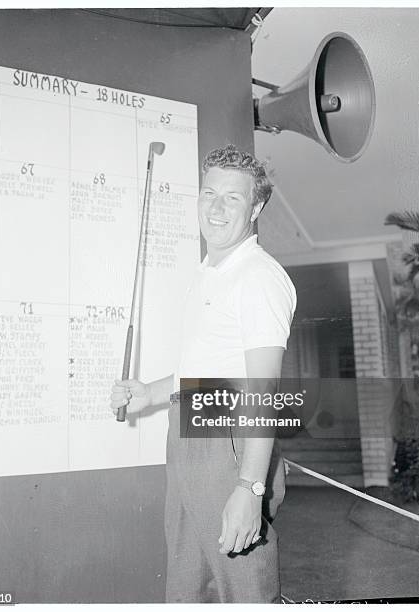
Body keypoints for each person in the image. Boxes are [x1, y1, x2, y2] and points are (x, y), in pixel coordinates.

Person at [110, 144, 297, 603]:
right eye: (208, 193)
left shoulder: (258, 276)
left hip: (227, 446)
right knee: (186, 589)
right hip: (188, 436)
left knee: (244, 589)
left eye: (232, 198)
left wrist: (250, 488)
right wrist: (150, 395)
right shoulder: (209, 273)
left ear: (257, 207)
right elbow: (208, 370)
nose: (215, 207)